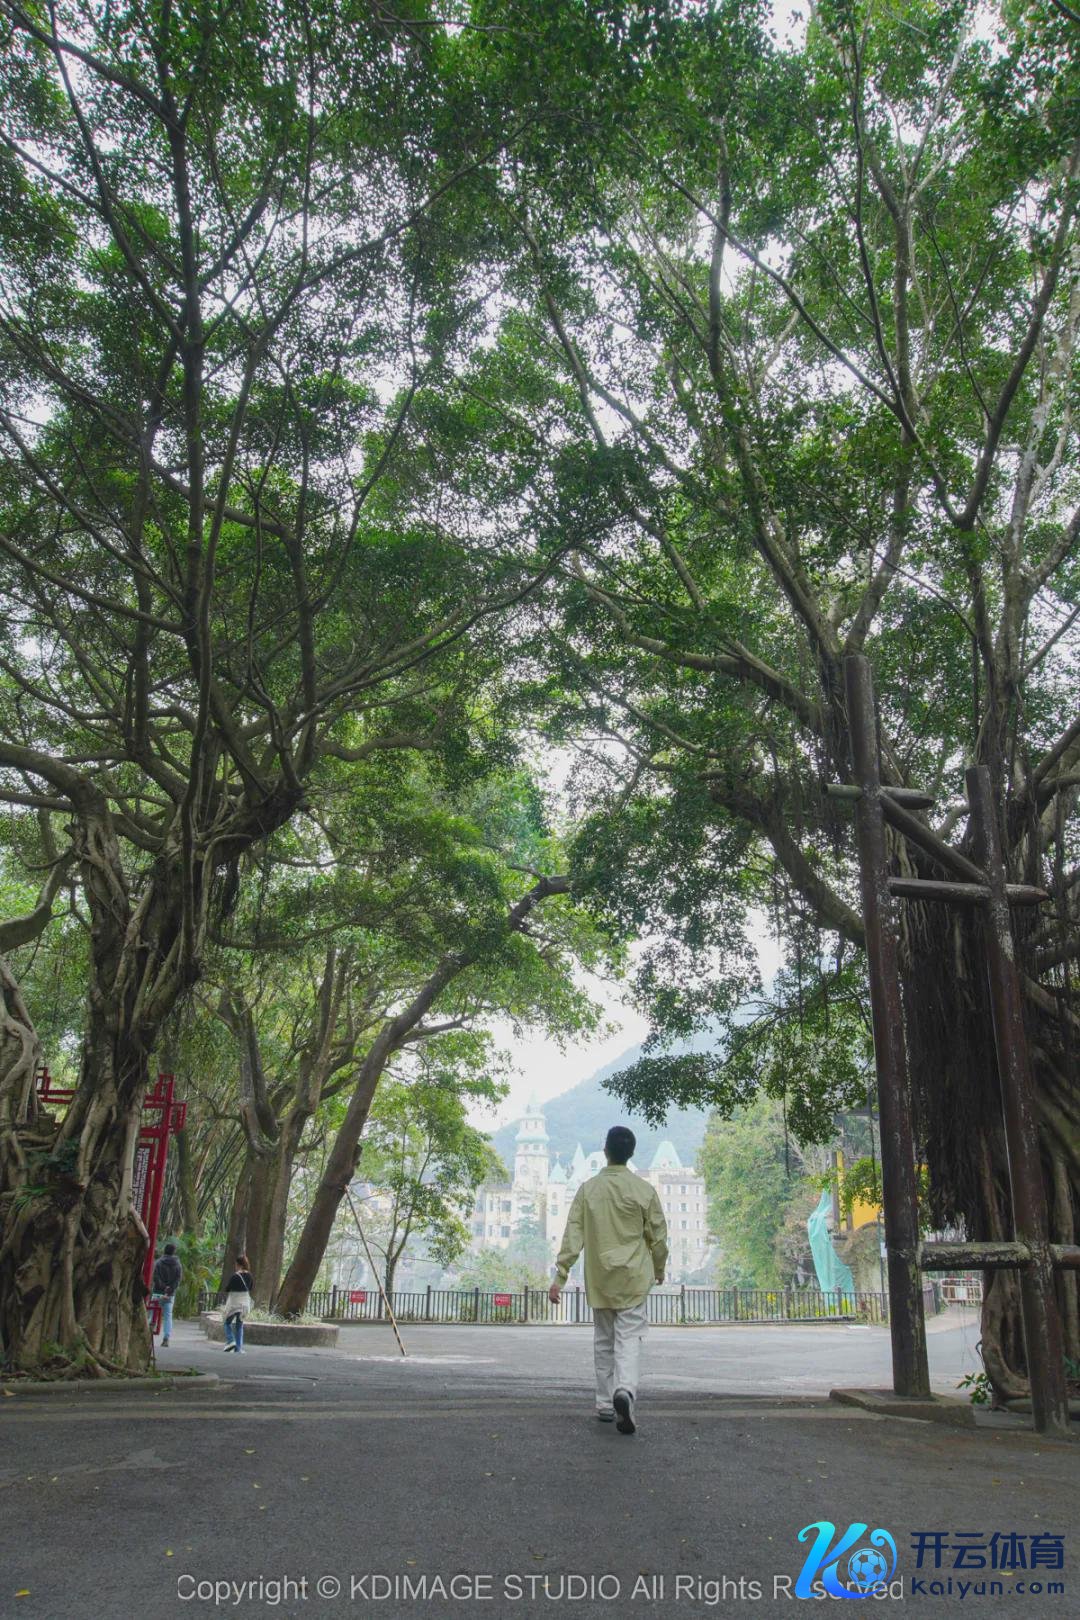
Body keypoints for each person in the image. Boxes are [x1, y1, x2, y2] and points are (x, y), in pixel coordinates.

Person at [549, 1125, 668, 1435]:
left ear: (606, 1152)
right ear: (631, 1153)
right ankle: (624, 1390)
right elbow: (658, 1236)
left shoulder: (588, 1190)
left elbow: (573, 1235)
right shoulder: (644, 1190)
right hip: (633, 1278)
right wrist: (659, 1268)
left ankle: (604, 1403)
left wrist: (560, 1276)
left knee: (603, 1340)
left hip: (600, 1278)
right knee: (628, 1338)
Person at [152, 1242, 183, 1347]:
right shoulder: (177, 1264)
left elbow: (155, 1277)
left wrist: (163, 1287)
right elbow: (178, 1279)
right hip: (170, 1294)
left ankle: (149, 1334)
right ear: (174, 1252)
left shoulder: (158, 1262)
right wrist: (170, 1289)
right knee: (168, 1316)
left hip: (157, 1292)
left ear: (164, 1250)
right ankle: (166, 1337)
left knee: (153, 1314)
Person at [221, 1253, 254, 1353]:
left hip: (234, 1304)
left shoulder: (235, 1276)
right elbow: (250, 1288)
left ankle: (231, 1340)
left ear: (238, 1264)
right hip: (244, 1305)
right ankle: (238, 1348)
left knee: (227, 1323)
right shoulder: (250, 1276)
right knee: (239, 1326)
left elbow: (227, 1288)